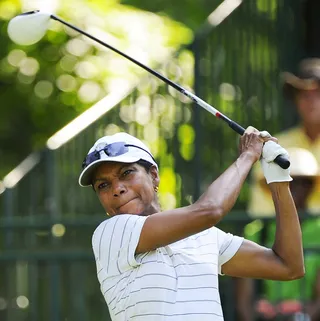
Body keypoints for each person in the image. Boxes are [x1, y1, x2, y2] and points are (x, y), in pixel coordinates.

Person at [78, 129, 304, 321]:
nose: (117, 189)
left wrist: (278, 180)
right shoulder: (111, 235)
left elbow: (288, 265)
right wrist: (248, 155)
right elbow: (211, 210)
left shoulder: (205, 236)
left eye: (126, 173)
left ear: (154, 175)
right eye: (103, 186)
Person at [236, 148, 320, 321]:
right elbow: (244, 300)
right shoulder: (256, 232)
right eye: (289, 180)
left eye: (303, 182)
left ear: (311, 186)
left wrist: (301, 317)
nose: (295, 188)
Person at [248, 57, 320, 217]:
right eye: (304, 95)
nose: (312, 102)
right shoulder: (273, 146)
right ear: (295, 99)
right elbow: (261, 214)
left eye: (318, 93)